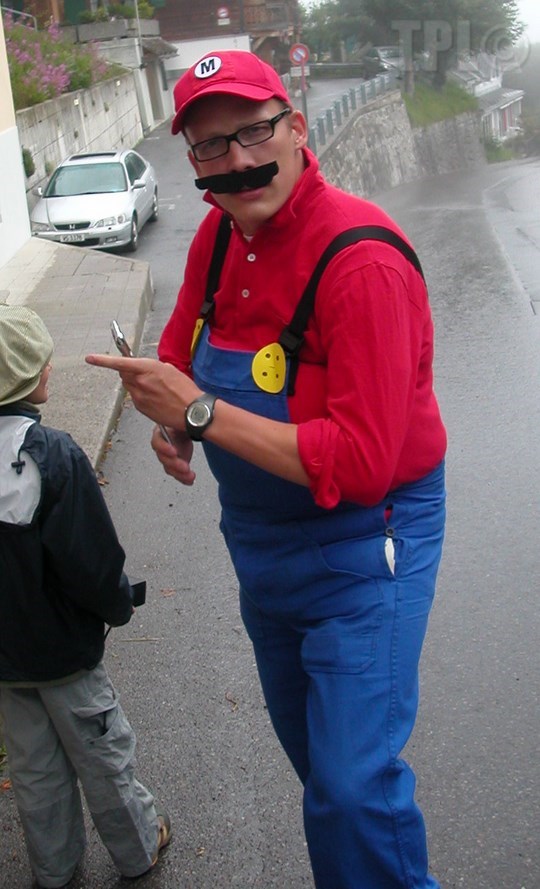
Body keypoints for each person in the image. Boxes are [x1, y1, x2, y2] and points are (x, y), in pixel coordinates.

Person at [86, 50, 447, 889]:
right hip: (261, 551)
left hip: (367, 545)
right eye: (212, 147)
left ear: (295, 125)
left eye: (254, 133)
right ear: (194, 161)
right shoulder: (219, 234)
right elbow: (181, 345)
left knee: (355, 792)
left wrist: (200, 414)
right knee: (322, 776)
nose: (240, 162)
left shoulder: (362, 263)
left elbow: (360, 465)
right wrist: (169, 422)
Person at [0, 303, 171, 889]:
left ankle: (54, 869)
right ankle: (138, 848)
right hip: (65, 653)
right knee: (104, 756)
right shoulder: (51, 457)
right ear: (28, 375)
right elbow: (92, 562)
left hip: (5, 661)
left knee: (34, 769)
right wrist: (117, 605)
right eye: (40, 361)